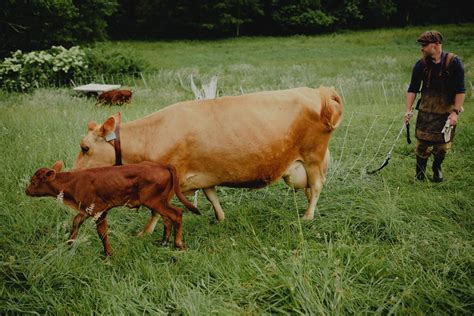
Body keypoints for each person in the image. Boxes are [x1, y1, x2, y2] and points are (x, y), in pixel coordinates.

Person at [404, 30, 465, 182]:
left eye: (425, 45)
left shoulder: (454, 62)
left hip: (446, 112)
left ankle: (437, 168)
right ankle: (420, 175)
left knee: (442, 147)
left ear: (437, 45)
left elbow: (460, 90)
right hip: (426, 112)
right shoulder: (421, 65)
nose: (422, 48)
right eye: (421, 45)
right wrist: (408, 110)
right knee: (422, 146)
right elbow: (412, 89)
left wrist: (455, 113)